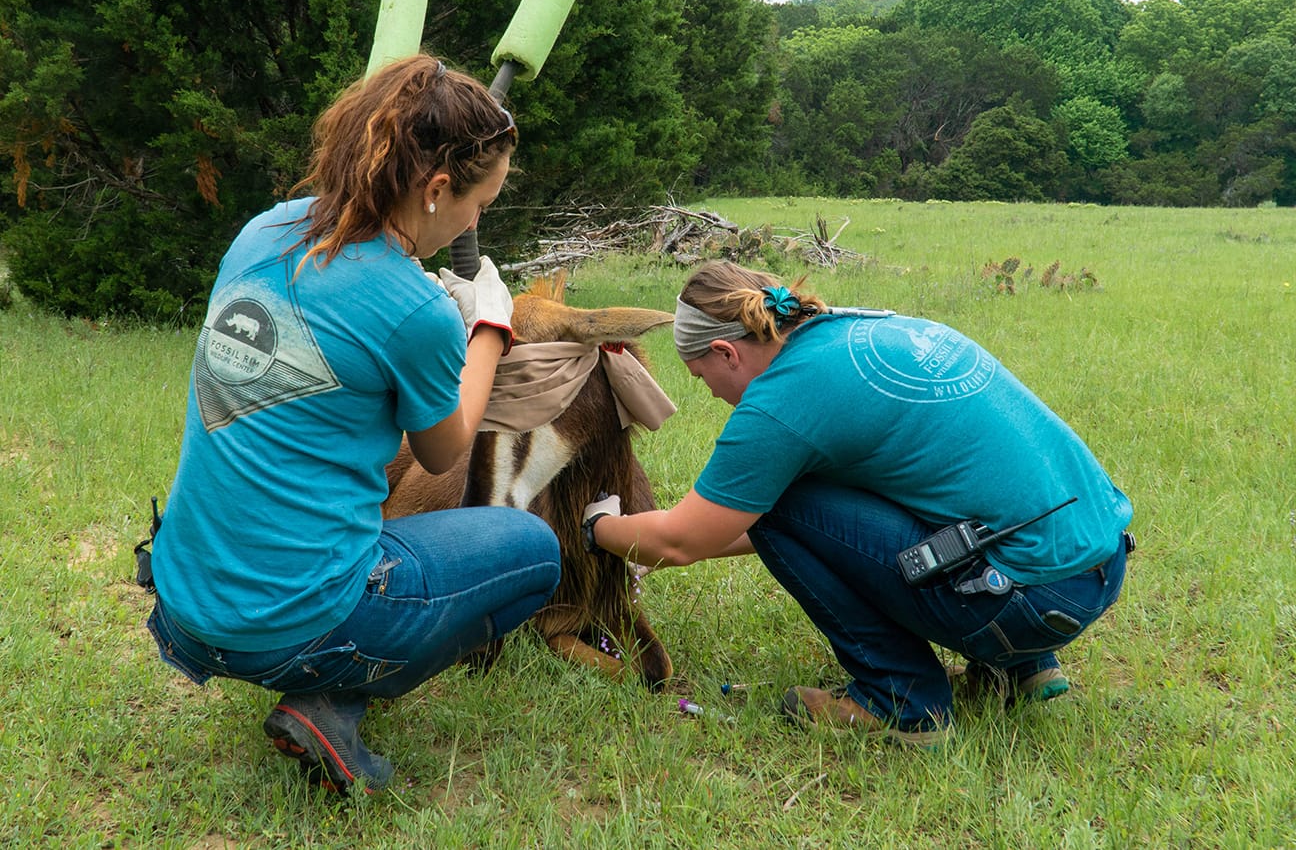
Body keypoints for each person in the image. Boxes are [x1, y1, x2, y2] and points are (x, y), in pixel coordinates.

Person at [146, 54, 561, 793]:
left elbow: (331, 352)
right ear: (436, 189)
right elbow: (442, 451)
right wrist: (488, 328)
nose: (477, 218)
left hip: (185, 600)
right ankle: (330, 691)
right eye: (479, 202)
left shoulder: (261, 232)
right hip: (288, 622)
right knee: (534, 553)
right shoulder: (418, 311)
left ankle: (318, 688)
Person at [582, 260, 1132, 746]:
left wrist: (601, 527)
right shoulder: (864, 328)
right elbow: (821, 531)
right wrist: (687, 544)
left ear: (727, 351)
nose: (711, 393)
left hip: (1026, 601)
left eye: (702, 377)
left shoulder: (783, 400)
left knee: (779, 499)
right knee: (920, 484)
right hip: (1094, 566)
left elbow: (681, 539)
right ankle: (1025, 669)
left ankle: (901, 700)